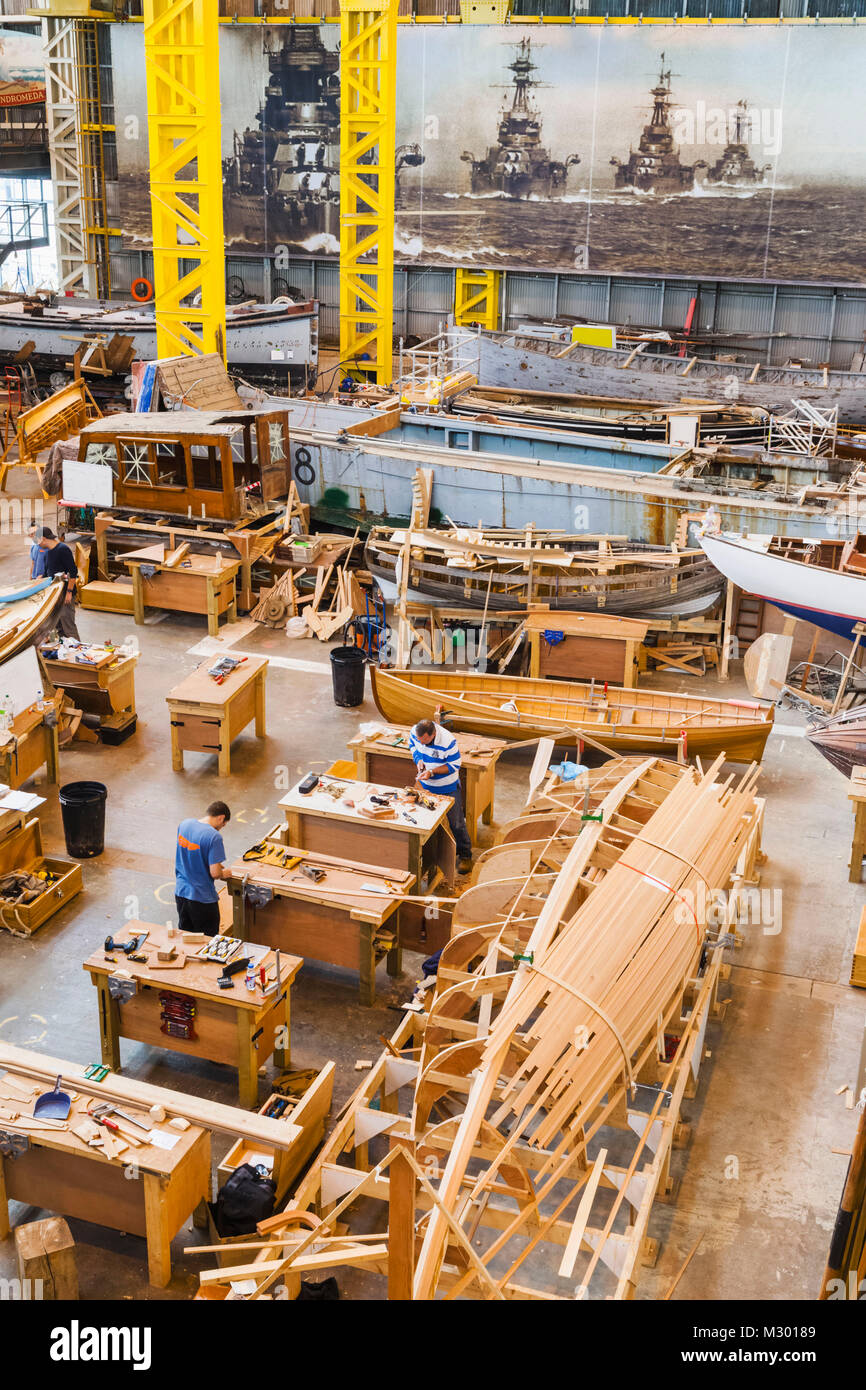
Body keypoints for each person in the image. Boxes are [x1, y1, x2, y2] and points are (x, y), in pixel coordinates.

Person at [409, 718, 473, 872]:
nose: (423, 744)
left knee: (456, 822)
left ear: (434, 733)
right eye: (420, 741)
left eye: (426, 742)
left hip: (447, 787)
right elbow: (413, 746)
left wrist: (432, 772)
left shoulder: (447, 741)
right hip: (426, 786)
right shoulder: (415, 733)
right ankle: (431, 857)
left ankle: (465, 855)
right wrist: (418, 761)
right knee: (426, 822)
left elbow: (454, 765)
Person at [175, 801, 232, 938]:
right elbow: (215, 873)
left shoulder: (184, 824)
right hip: (202, 898)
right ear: (221, 818)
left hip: (181, 893)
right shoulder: (214, 837)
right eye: (223, 825)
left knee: (187, 937)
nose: (221, 828)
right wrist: (225, 873)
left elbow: (189, 853)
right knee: (208, 941)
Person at [36, 527, 80, 639]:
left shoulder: (62, 549)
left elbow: (73, 572)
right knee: (58, 628)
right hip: (55, 596)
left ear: (43, 538)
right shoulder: (47, 554)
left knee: (68, 628)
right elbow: (48, 575)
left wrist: (69, 592)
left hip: (65, 596)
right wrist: (40, 579)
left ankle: (77, 652)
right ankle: (64, 653)